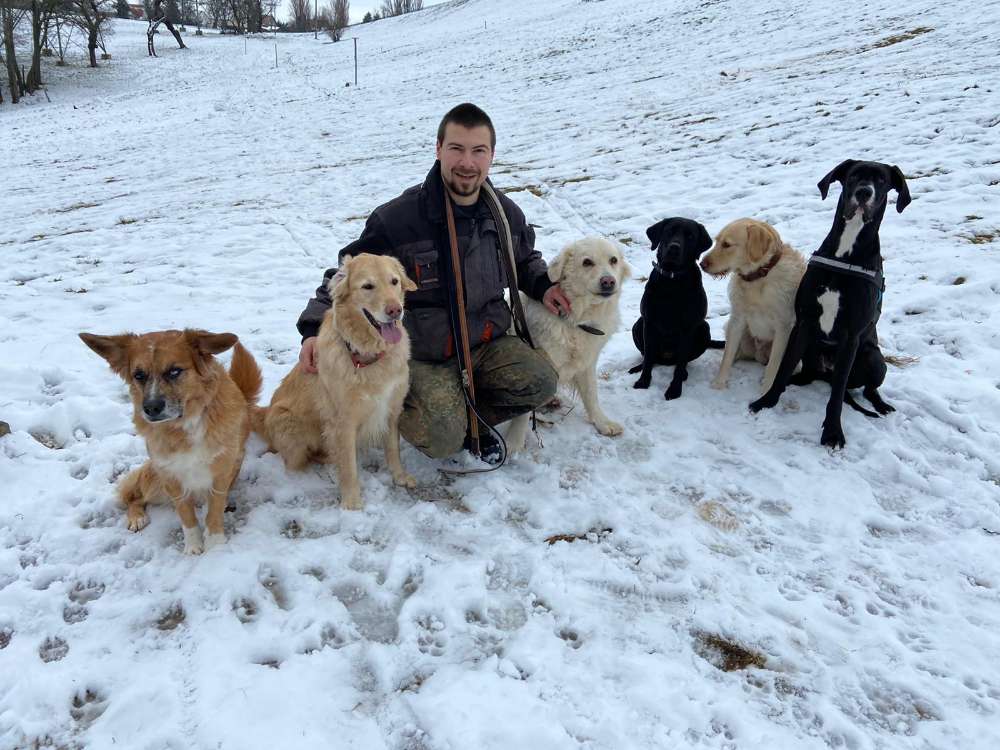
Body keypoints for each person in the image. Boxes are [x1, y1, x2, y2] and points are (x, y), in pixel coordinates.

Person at [295, 103, 571, 463]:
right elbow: (346, 275)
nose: (467, 162)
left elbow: (524, 259)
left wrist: (544, 285)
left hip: (486, 341)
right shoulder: (398, 219)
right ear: (439, 149)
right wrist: (313, 329)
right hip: (425, 354)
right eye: (456, 148)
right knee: (441, 438)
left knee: (541, 381)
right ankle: (411, 412)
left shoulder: (505, 215)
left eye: (478, 151)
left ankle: (470, 414)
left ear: (491, 155)